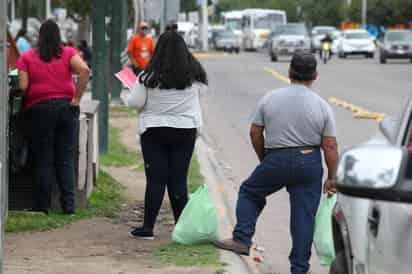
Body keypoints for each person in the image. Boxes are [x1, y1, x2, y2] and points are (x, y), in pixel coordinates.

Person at [214, 52, 338, 274]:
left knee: (250, 192)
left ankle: (242, 239)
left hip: (276, 158)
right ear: (315, 76)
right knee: (303, 216)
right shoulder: (322, 106)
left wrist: (265, 160)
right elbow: (329, 146)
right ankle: (299, 268)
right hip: (309, 161)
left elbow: (254, 133)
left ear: (289, 72)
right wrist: (332, 177)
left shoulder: (270, 98)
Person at [125, 31, 208, 239]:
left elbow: (135, 102)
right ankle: (182, 227)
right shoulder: (195, 77)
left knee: (155, 179)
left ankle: (148, 228)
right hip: (185, 131)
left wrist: (126, 92)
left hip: (154, 131)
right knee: (179, 178)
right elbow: (203, 94)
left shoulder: (147, 77)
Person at [15, 19, 90, 215]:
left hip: (39, 111)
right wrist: (76, 99)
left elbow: (22, 87)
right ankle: (69, 207)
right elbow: (84, 70)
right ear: (59, 36)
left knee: (43, 158)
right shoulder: (67, 53)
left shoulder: (27, 57)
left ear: (39, 36)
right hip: (67, 109)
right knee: (65, 159)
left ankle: (42, 206)